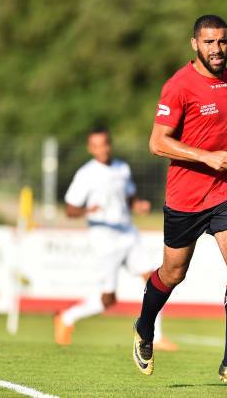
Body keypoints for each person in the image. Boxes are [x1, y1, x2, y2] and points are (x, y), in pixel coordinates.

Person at [131, 15, 227, 394]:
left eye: (222, 42)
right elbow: (158, 142)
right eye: (209, 42)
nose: (217, 49)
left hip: (226, 191)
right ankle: (144, 326)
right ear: (195, 44)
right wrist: (206, 158)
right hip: (186, 197)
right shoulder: (178, 86)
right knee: (173, 273)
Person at [55, 124, 177, 351]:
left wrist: (137, 204)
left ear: (109, 144)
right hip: (104, 238)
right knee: (108, 300)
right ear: (90, 148)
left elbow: (129, 197)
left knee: (153, 279)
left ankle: (155, 336)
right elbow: (70, 209)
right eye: (96, 146)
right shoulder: (86, 174)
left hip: (127, 232)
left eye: (105, 144)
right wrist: (87, 212)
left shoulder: (122, 168)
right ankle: (66, 317)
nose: (102, 149)